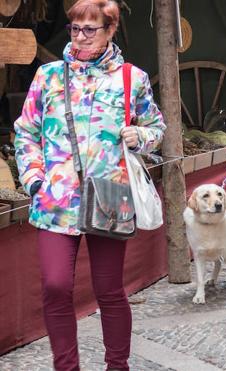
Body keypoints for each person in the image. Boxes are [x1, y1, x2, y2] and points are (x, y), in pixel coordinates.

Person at [13, 0, 166, 369]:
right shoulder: (48, 75)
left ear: (110, 30)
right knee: (55, 285)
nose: (80, 37)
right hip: (55, 198)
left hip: (110, 193)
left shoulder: (132, 78)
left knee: (109, 290)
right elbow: (26, 132)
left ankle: (118, 365)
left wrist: (140, 136)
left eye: (90, 29)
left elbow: (157, 129)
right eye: (75, 28)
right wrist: (35, 180)